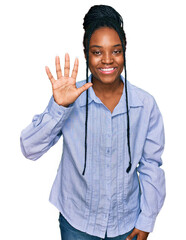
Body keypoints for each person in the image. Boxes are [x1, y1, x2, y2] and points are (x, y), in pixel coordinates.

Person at [20, 4, 166, 240]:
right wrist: (60, 107)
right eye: (97, 52)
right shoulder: (69, 98)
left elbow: (151, 165)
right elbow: (29, 149)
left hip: (126, 224)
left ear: (125, 50)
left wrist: (147, 219)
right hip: (76, 223)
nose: (107, 60)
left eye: (116, 51)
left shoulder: (145, 105)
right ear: (86, 52)